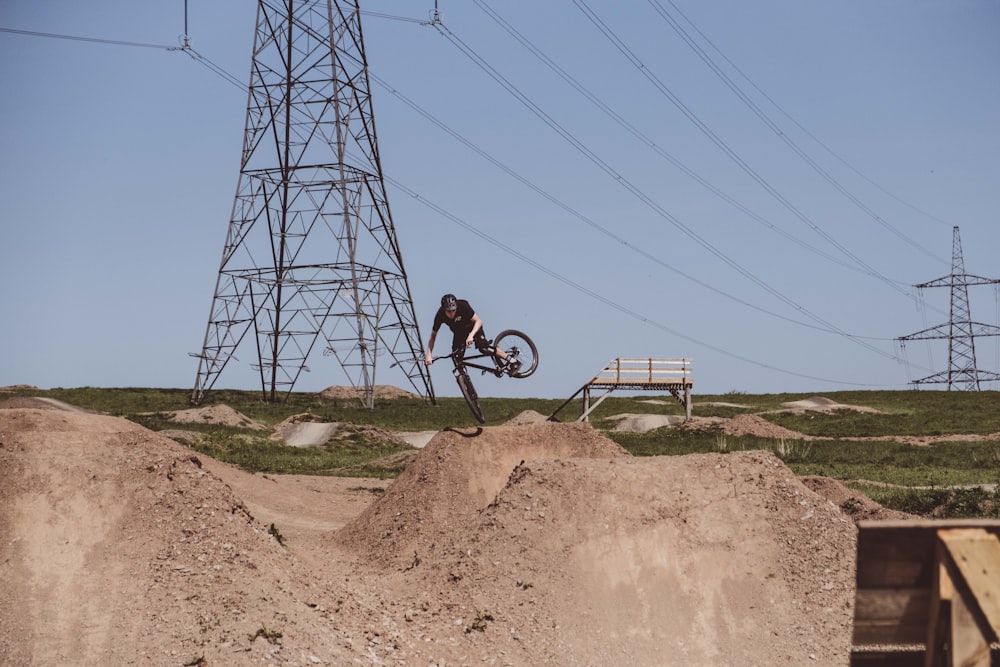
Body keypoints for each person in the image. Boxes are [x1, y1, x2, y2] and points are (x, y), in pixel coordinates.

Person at [425, 293, 514, 370]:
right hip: (459, 332)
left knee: (484, 348)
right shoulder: (440, 315)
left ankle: (511, 360)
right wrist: (429, 355)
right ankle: (465, 383)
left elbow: (478, 321)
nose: (452, 313)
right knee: (456, 357)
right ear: (444, 310)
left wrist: (471, 335)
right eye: (449, 312)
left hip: (473, 327)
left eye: (453, 310)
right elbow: (433, 336)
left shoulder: (463, 305)